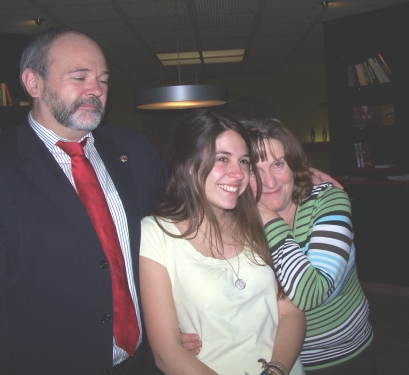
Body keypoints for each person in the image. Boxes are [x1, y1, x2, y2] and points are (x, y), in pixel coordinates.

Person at [0, 27, 168, 374]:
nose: (96, 89)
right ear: (33, 83)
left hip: (144, 363)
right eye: (79, 76)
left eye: (103, 80)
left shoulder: (134, 150)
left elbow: (183, 222)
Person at [139, 110, 306, 375]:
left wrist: (276, 370)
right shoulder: (155, 233)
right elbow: (167, 352)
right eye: (222, 159)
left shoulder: (257, 220)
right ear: (189, 163)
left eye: (243, 161)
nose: (238, 173)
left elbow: (290, 313)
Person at [243, 118, 377, 375]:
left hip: (343, 356)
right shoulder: (239, 220)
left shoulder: (328, 201)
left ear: (293, 164)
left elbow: (311, 293)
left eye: (278, 164)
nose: (269, 182)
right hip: (277, 360)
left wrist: (268, 217)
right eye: (255, 170)